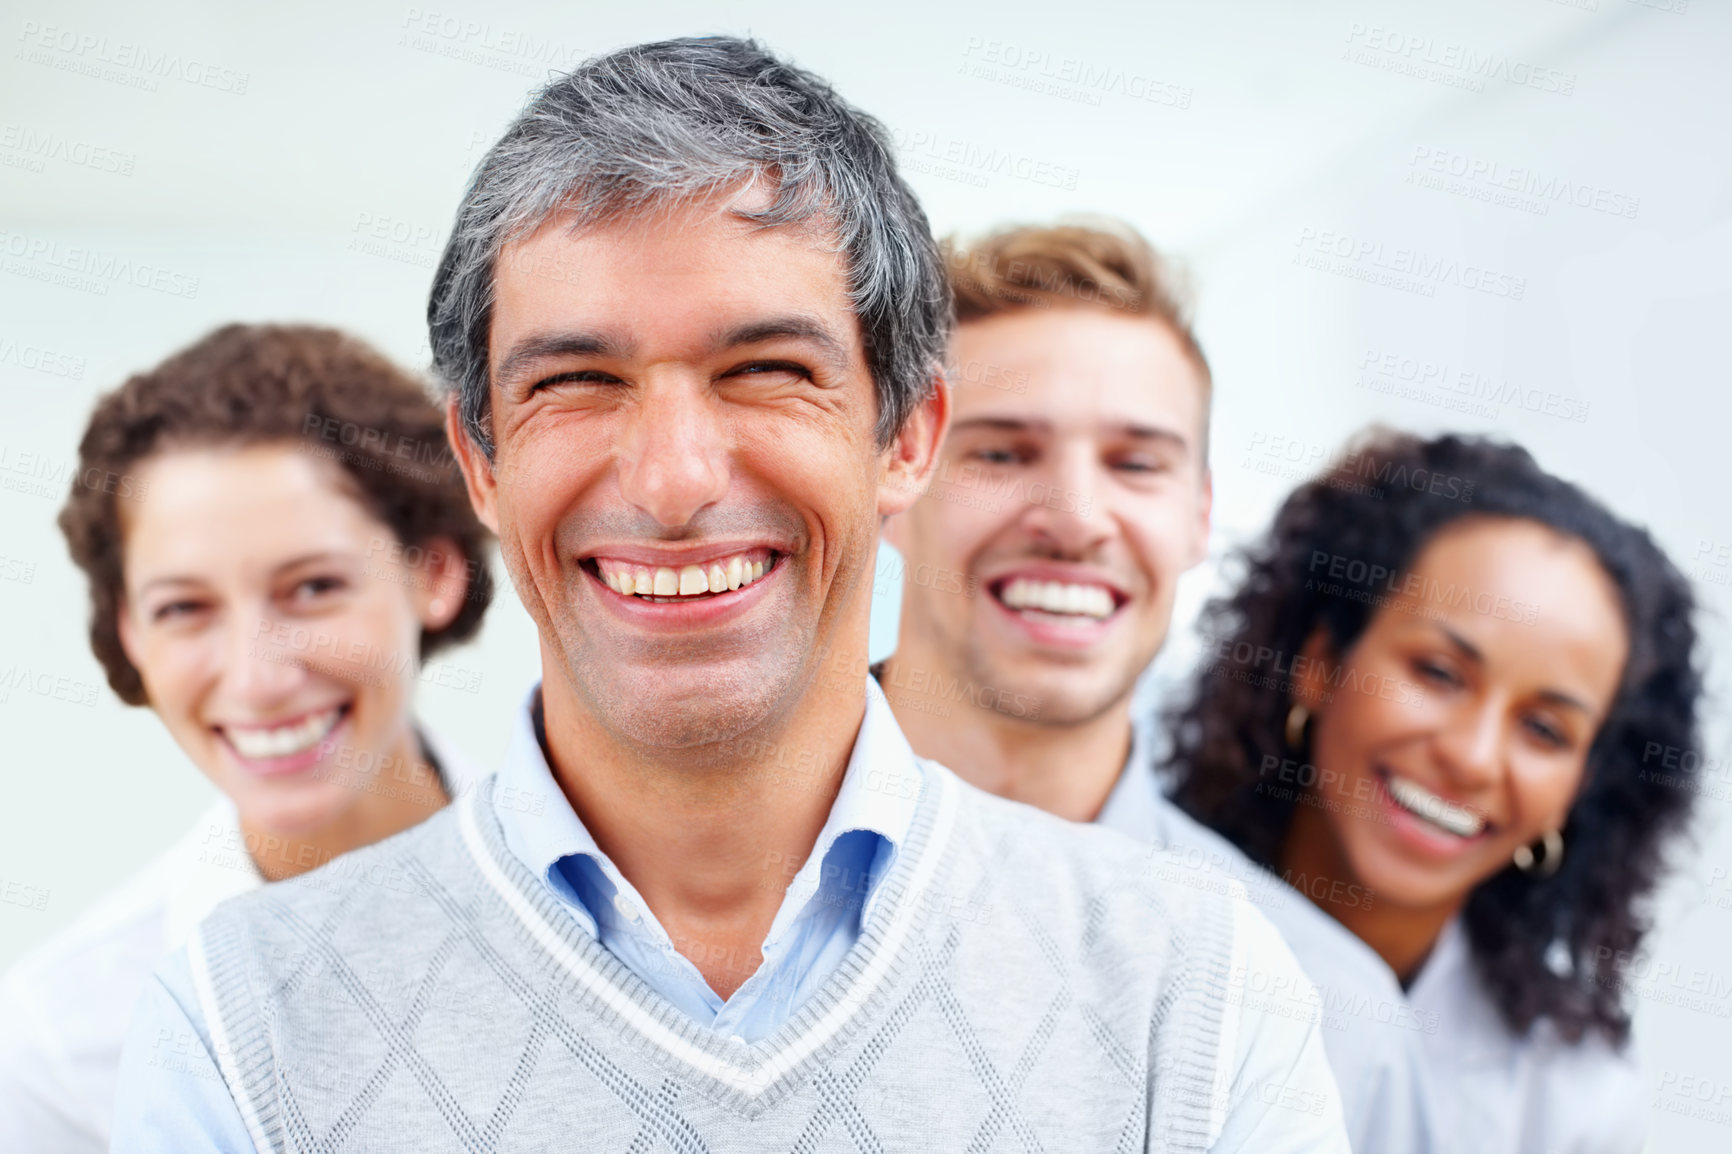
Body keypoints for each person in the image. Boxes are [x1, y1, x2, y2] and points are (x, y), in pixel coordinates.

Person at [109, 37, 1348, 1152]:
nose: (670, 481)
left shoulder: (1200, 986)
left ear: (908, 438)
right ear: (480, 464)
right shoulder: (237, 1023)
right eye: (577, 381)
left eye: (765, 369)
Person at [878, 220, 1434, 1151]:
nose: (1076, 519)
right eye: (1002, 452)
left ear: (1198, 515)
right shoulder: (680, 893)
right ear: (894, 478)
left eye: (1136, 463)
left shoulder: (1328, 1013)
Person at [0, 324, 496, 1152]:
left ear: (434, 572)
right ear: (129, 633)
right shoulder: (62, 1048)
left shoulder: (643, 902)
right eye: (183, 608)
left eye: (313, 587)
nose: (257, 678)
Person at [1165, 428, 1704, 1152]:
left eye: (1545, 730)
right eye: (1439, 674)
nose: (1473, 758)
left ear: (1583, 786)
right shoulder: (1119, 882)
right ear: (1319, 664)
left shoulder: (1572, 1097)